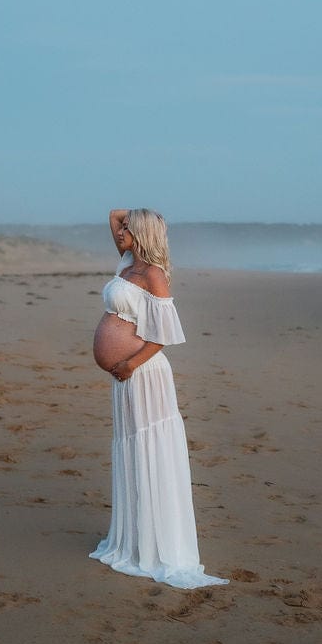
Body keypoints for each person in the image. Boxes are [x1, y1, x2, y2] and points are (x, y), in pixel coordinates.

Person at [89, 207, 228, 589]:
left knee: (150, 446)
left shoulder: (152, 274)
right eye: (122, 230)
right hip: (126, 376)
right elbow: (114, 214)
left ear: (142, 233)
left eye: (128, 230)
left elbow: (164, 335)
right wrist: (133, 220)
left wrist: (131, 363)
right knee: (131, 448)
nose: (120, 233)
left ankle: (158, 547)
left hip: (143, 374)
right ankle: (134, 540)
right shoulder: (127, 265)